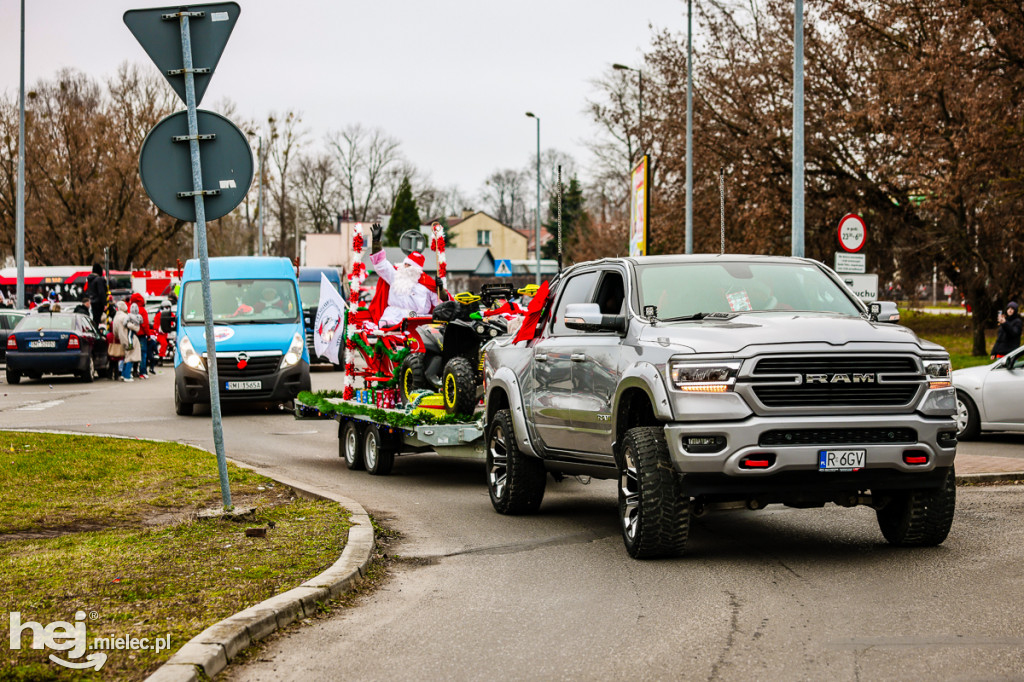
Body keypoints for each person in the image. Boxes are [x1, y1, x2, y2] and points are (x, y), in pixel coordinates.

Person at [367, 223, 441, 328]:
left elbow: (440, 304)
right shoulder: (396, 275)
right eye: (405, 264)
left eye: (409, 265)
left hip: (417, 319)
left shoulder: (427, 284)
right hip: (392, 317)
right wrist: (376, 243)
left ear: (416, 269)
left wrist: (441, 289)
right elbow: (380, 264)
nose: (405, 267)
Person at [112, 300, 141, 382]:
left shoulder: (116, 318)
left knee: (126, 356)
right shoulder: (125, 317)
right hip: (130, 339)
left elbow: (115, 332)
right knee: (131, 357)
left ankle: (123, 374)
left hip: (122, 339)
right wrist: (136, 327)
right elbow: (131, 326)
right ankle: (127, 376)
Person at [129, 293, 154, 378]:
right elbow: (145, 324)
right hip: (142, 335)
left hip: (132, 334)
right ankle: (142, 372)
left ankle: (133, 370)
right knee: (143, 353)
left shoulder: (130, 309)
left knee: (132, 352)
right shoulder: (143, 310)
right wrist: (148, 335)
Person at [85, 263, 108, 329]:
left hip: (93, 301)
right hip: (99, 303)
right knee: (99, 319)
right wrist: (105, 304)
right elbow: (101, 292)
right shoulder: (99, 279)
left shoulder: (90, 280)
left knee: (95, 320)